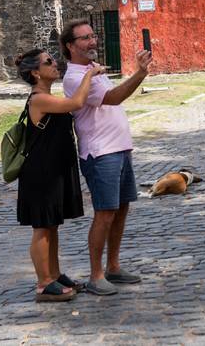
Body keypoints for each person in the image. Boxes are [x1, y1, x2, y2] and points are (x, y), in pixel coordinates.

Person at [61, 19, 152, 296]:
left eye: (93, 36)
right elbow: (112, 98)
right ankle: (96, 274)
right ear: (70, 46)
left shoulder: (93, 69)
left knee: (121, 209)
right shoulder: (75, 77)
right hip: (100, 153)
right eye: (85, 38)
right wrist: (140, 73)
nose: (93, 42)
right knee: (105, 213)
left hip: (120, 148)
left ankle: (113, 266)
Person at [15, 49, 105, 302]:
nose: (55, 63)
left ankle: (53, 274)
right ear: (35, 72)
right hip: (40, 172)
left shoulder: (48, 96)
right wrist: (89, 75)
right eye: (48, 62)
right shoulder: (38, 99)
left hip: (54, 171)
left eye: (53, 59)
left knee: (52, 225)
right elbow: (76, 103)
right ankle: (44, 283)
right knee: (42, 227)